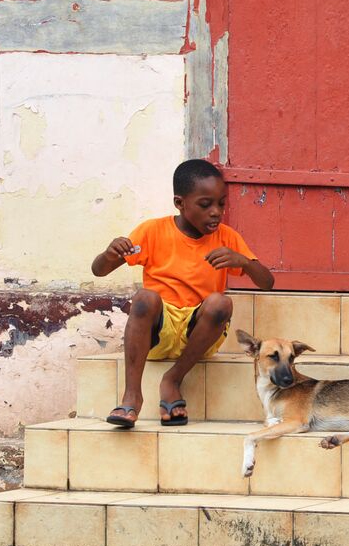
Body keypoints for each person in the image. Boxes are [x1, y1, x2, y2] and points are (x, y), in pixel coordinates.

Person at [95, 159, 273, 428]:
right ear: (180, 203)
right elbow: (100, 270)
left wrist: (244, 263)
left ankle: (173, 380)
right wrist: (109, 254)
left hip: (198, 335)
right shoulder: (152, 231)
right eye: (205, 205)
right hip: (158, 333)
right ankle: (132, 396)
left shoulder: (227, 237)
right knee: (145, 297)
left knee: (220, 303)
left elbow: (267, 282)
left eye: (221, 204)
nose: (216, 212)